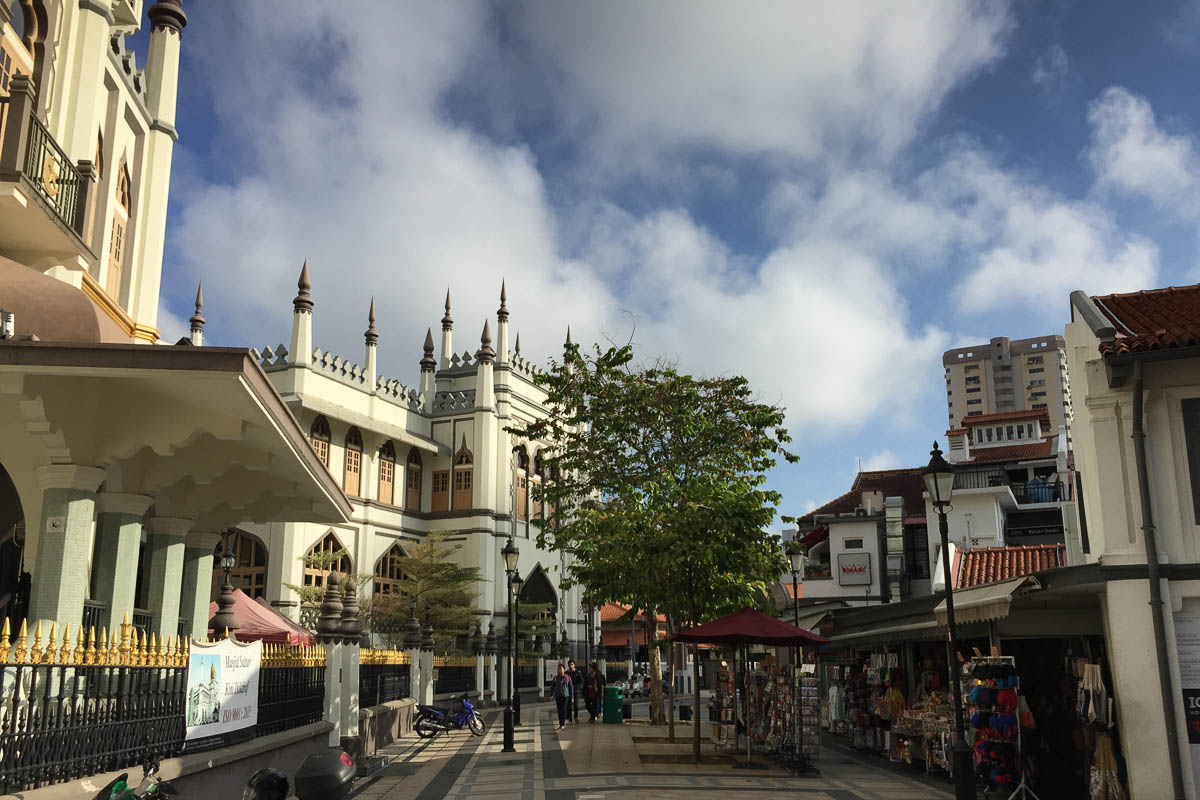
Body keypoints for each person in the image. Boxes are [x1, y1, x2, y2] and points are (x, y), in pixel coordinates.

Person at [552, 663, 573, 730]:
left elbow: (570, 688)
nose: (559, 670)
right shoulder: (555, 678)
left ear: (564, 669)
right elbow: (552, 687)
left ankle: (562, 724)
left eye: (561, 669)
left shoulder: (567, 677)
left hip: (565, 696)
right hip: (558, 696)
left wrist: (572, 697)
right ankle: (560, 723)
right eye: (558, 669)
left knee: (563, 709)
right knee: (559, 710)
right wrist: (550, 695)